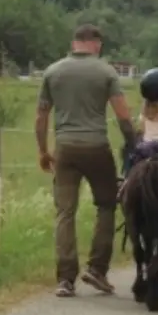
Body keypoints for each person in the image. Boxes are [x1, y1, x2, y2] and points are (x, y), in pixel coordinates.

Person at [36, 24, 137, 298]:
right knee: (106, 205)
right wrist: (133, 145)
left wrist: (43, 151)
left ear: (74, 43)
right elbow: (122, 115)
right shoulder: (106, 72)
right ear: (97, 44)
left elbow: (41, 115)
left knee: (64, 212)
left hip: (65, 148)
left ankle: (65, 278)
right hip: (96, 147)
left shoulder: (53, 71)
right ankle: (97, 268)